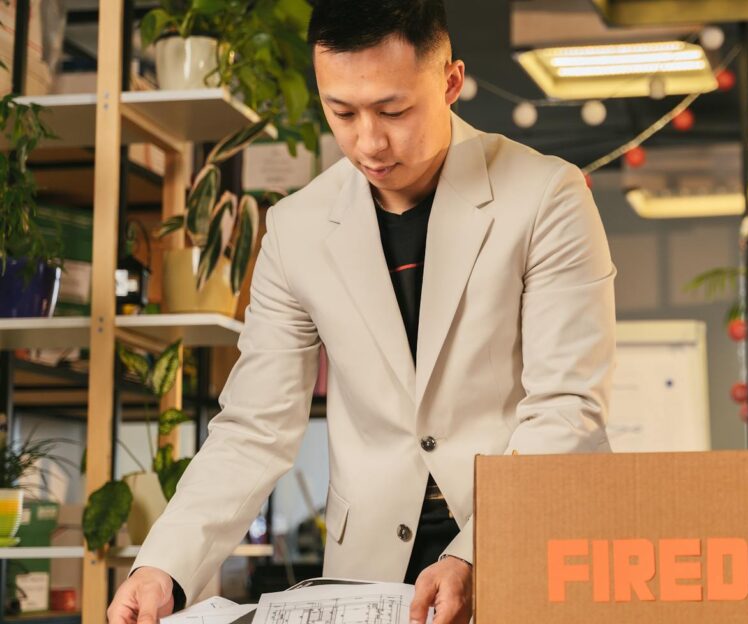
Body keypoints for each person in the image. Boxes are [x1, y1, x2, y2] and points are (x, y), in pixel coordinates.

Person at [106, 1, 616, 623]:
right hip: (370, 571)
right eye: (341, 112)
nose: (369, 142)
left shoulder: (546, 197)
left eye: (394, 110)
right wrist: (164, 565)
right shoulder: (296, 230)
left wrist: (478, 554)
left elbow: (567, 408)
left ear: (450, 82)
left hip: (524, 541)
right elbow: (254, 427)